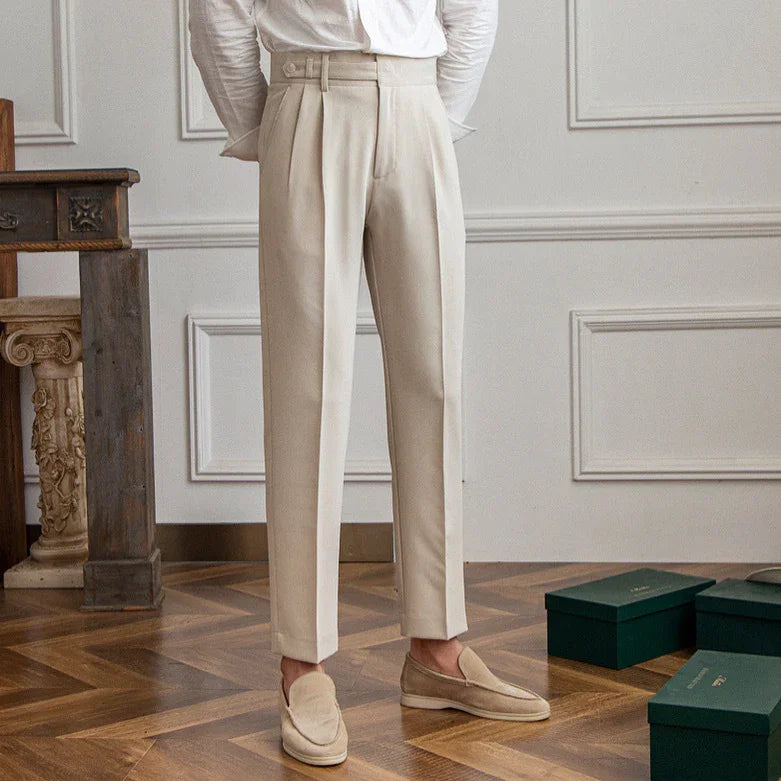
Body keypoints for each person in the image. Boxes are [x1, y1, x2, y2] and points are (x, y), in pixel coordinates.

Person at [189, 0, 550, 766]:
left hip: (418, 108)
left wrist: (425, 112)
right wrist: (274, 126)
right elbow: (218, 15)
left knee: (435, 379)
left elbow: (471, 11)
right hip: (307, 102)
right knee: (305, 390)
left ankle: (438, 650)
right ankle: (302, 664)